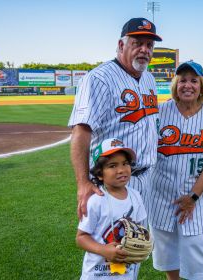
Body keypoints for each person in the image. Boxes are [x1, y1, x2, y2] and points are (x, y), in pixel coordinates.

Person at [68, 17, 162, 220]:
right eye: (137, 43)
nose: (144, 50)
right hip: (112, 181)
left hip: (145, 179)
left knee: (138, 247)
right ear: (121, 45)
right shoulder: (98, 79)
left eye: (149, 45)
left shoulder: (149, 79)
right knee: (110, 247)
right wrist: (83, 183)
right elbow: (81, 131)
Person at [148, 61, 203, 280]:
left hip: (197, 197)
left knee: (198, 254)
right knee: (167, 254)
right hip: (160, 195)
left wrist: (193, 197)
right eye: (182, 80)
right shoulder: (161, 111)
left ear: (202, 85)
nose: (188, 85)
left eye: (194, 80)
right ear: (175, 84)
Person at [76, 138, 147, 279]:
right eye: (112, 166)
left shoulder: (136, 196)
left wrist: (141, 243)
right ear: (99, 174)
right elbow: (81, 238)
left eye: (125, 163)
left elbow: (139, 229)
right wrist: (103, 250)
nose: (121, 170)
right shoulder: (96, 201)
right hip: (97, 274)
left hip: (126, 272)